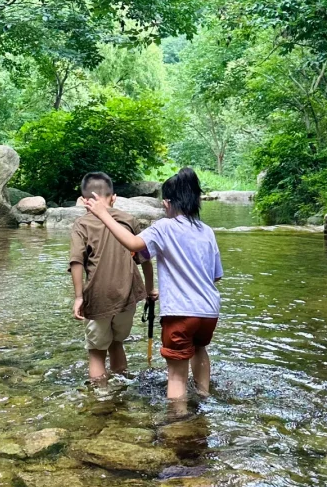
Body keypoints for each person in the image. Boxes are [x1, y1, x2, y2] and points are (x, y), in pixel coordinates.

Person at [79, 167, 222, 402]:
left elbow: (134, 244)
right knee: (200, 350)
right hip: (209, 312)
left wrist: (104, 214)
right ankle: (204, 398)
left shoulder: (164, 227)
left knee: (176, 375)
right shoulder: (207, 231)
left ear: (167, 203)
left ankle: (178, 417)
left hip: (180, 313)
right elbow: (215, 276)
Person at [69, 171, 156, 385]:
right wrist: (149, 290)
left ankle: (101, 396)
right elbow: (145, 259)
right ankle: (121, 387)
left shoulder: (82, 224)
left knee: (96, 351)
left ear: (84, 200)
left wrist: (79, 297)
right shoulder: (129, 220)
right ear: (113, 198)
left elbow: (76, 262)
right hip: (127, 294)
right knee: (117, 343)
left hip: (98, 296)